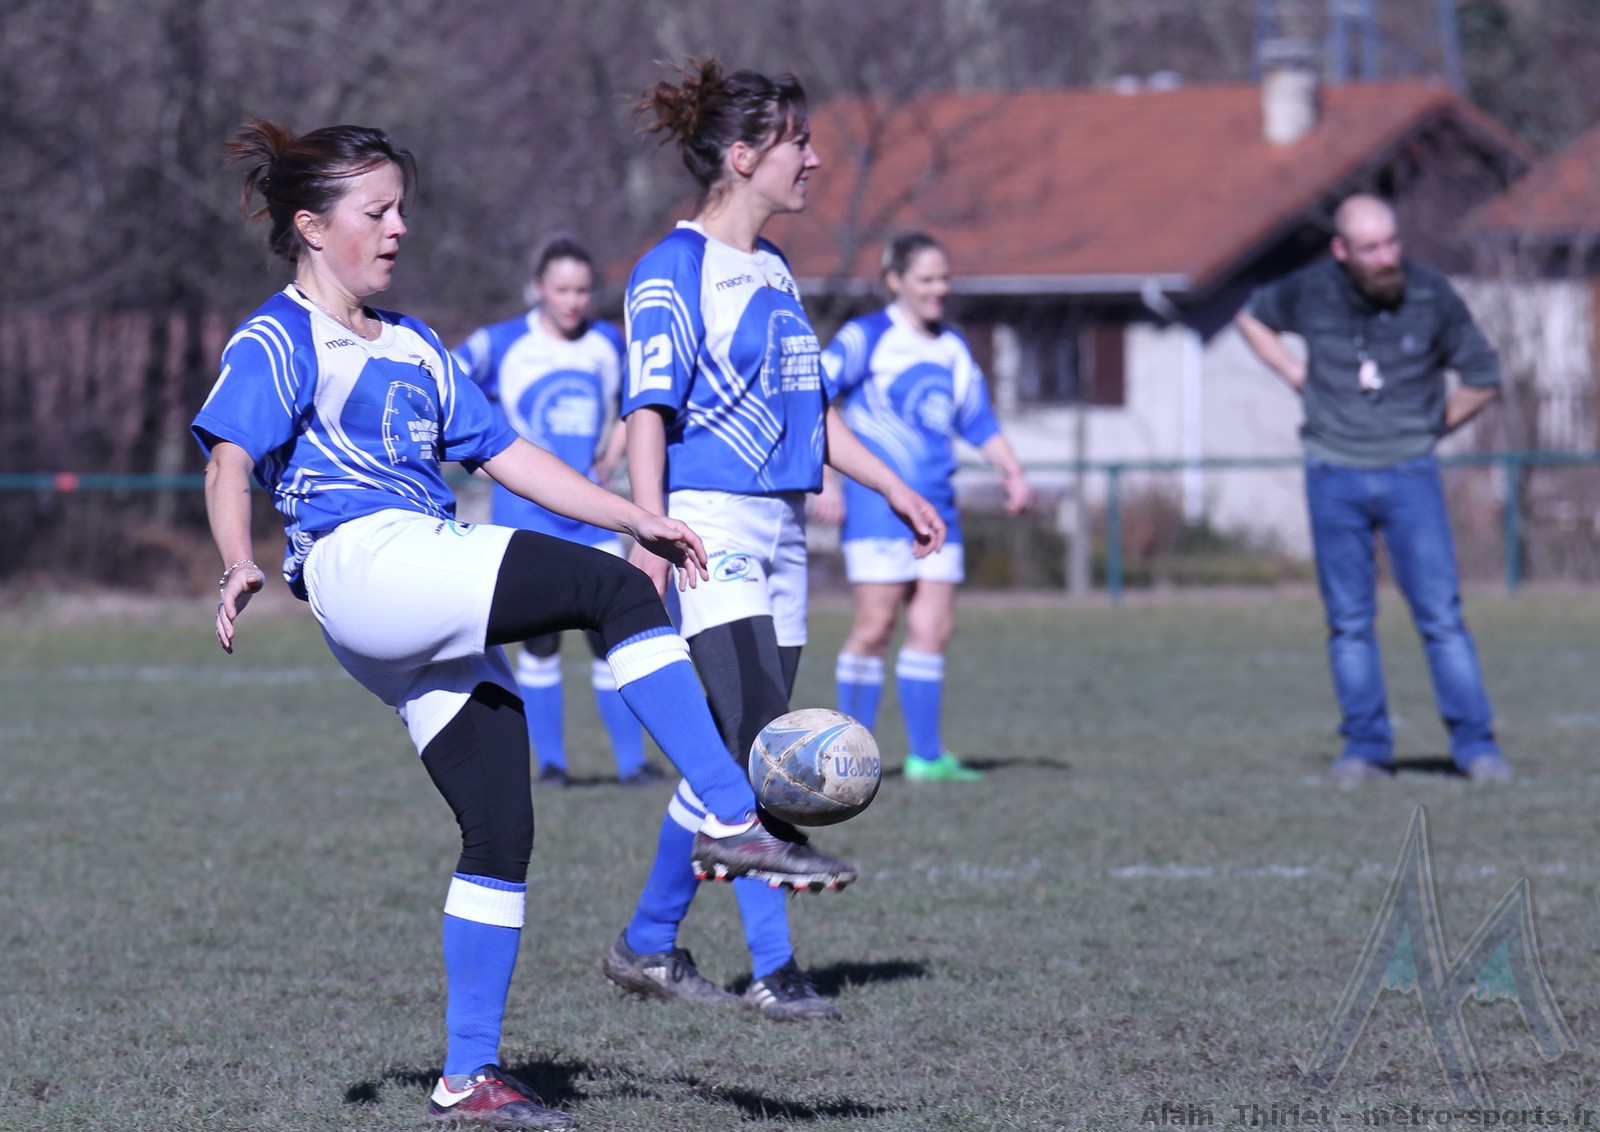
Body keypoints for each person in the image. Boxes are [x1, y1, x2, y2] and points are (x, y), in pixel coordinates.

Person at [195, 118, 860, 1129]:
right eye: (377, 211)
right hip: (366, 564)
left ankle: (468, 1077)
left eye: (402, 208)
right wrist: (238, 557)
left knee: (501, 824)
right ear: (312, 226)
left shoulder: (415, 342)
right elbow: (229, 459)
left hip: (410, 590)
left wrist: (632, 514)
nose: (399, 227)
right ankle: (732, 817)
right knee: (616, 594)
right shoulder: (279, 337)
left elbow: (507, 455)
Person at [601, 60, 946, 1022]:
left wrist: (894, 485)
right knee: (760, 748)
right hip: (708, 524)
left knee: (733, 750)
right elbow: (647, 409)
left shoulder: (775, 269)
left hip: (783, 527)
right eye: (799, 141)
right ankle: (774, 970)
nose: (815, 158)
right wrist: (649, 527)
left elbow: (816, 413)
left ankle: (647, 944)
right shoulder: (672, 269)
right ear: (745, 156)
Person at [1235, 192, 1511, 785]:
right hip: (1332, 475)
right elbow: (1251, 318)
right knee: (1349, 621)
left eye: (1391, 243)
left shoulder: (1431, 295)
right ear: (1341, 251)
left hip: (1411, 475)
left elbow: (1483, 377)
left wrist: (1430, 429)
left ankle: (1476, 747)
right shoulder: (1309, 291)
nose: (1386, 258)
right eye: (1370, 249)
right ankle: (1365, 748)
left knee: (1440, 616)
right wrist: (1293, 373)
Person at [816, 231, 1030, 782]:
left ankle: (927, 758)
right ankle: (850, 759)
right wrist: (825, 480)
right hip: (878, 508)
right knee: (875, 626)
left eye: (944, 278)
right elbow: (811, 397)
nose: (939, 289)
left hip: (939, 509)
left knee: (933, 628)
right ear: (896, 281)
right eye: (927, 278)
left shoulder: (952, 347)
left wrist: (1012, 472)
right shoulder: (866, 337)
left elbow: (978, 421)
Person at [453, 236, 663, 788]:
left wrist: (611, 456)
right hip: (527, 516)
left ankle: (632, 764)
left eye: (582, 290)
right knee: (541, 642)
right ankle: (551, 765)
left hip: (591, 515)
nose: (573, 301)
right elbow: (439, 385)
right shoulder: (500, 343)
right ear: (539, 288)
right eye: (562, 289)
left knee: (612, 636)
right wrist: (476, 457)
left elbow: (639, 405)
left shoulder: (609, 343)